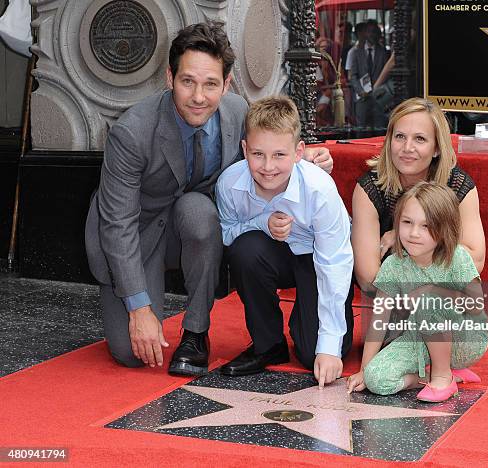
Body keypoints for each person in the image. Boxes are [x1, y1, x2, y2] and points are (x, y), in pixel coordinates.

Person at [84, 18, 333, 376]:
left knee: (199, 211)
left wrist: (303, 159)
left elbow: (268, 149)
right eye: (188, 82)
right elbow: (117, 223)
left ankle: (196, 333)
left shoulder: (236, 113)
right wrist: (139, 310)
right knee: (129, 352)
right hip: (133, 232)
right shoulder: (131, 133)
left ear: (226, 84)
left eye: (211, 84)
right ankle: (139, 302)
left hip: (193, 224)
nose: (199, 97)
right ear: (170, 78)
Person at [215, 96, 354, 388]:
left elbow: (335, 262)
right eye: (257, 154)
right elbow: (226, 233)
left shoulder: (319, 189)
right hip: (271, 254)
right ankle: (268, 343)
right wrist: (260, 224)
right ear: (244, 150)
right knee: (245, 249)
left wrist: (328, 347)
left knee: (312, 353)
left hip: (316, 258)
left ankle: (310, 322)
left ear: (298, 152)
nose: (267, 167)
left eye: (279, 155)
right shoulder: (229, 183)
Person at [347, 182, 488, 402]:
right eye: (407, 222)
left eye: (426, 226)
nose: (414, 233)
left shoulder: (457, 257)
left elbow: (475, 305)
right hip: (417, 337)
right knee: (376, 379)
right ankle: (428, 375)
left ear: (444, 229)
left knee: (428, 298)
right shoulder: (393, 265)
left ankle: (443, 377)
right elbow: (380, 318)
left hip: (465, 338)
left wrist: (433, 292)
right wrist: (365, 369)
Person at [351, 97, 486, 297]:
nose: (407, 148)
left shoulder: (458, 185)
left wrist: (400, 238)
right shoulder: (370, 188)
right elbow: (368, 278)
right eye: (400, 137)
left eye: (420, 139)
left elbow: (475, 259)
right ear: (389, 141)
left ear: (437, 148)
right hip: (394, 306)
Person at [349, 19, 390, 128]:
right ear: (366, 33)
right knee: (361, 128)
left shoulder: (384, 52)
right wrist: (360, 91)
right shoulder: (357, 52)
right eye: (370, 32)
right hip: (362, 98)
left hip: (379, 97)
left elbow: (388, 74)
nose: (373, 35)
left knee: (379, 127)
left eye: (376, 32)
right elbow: (353, 76)